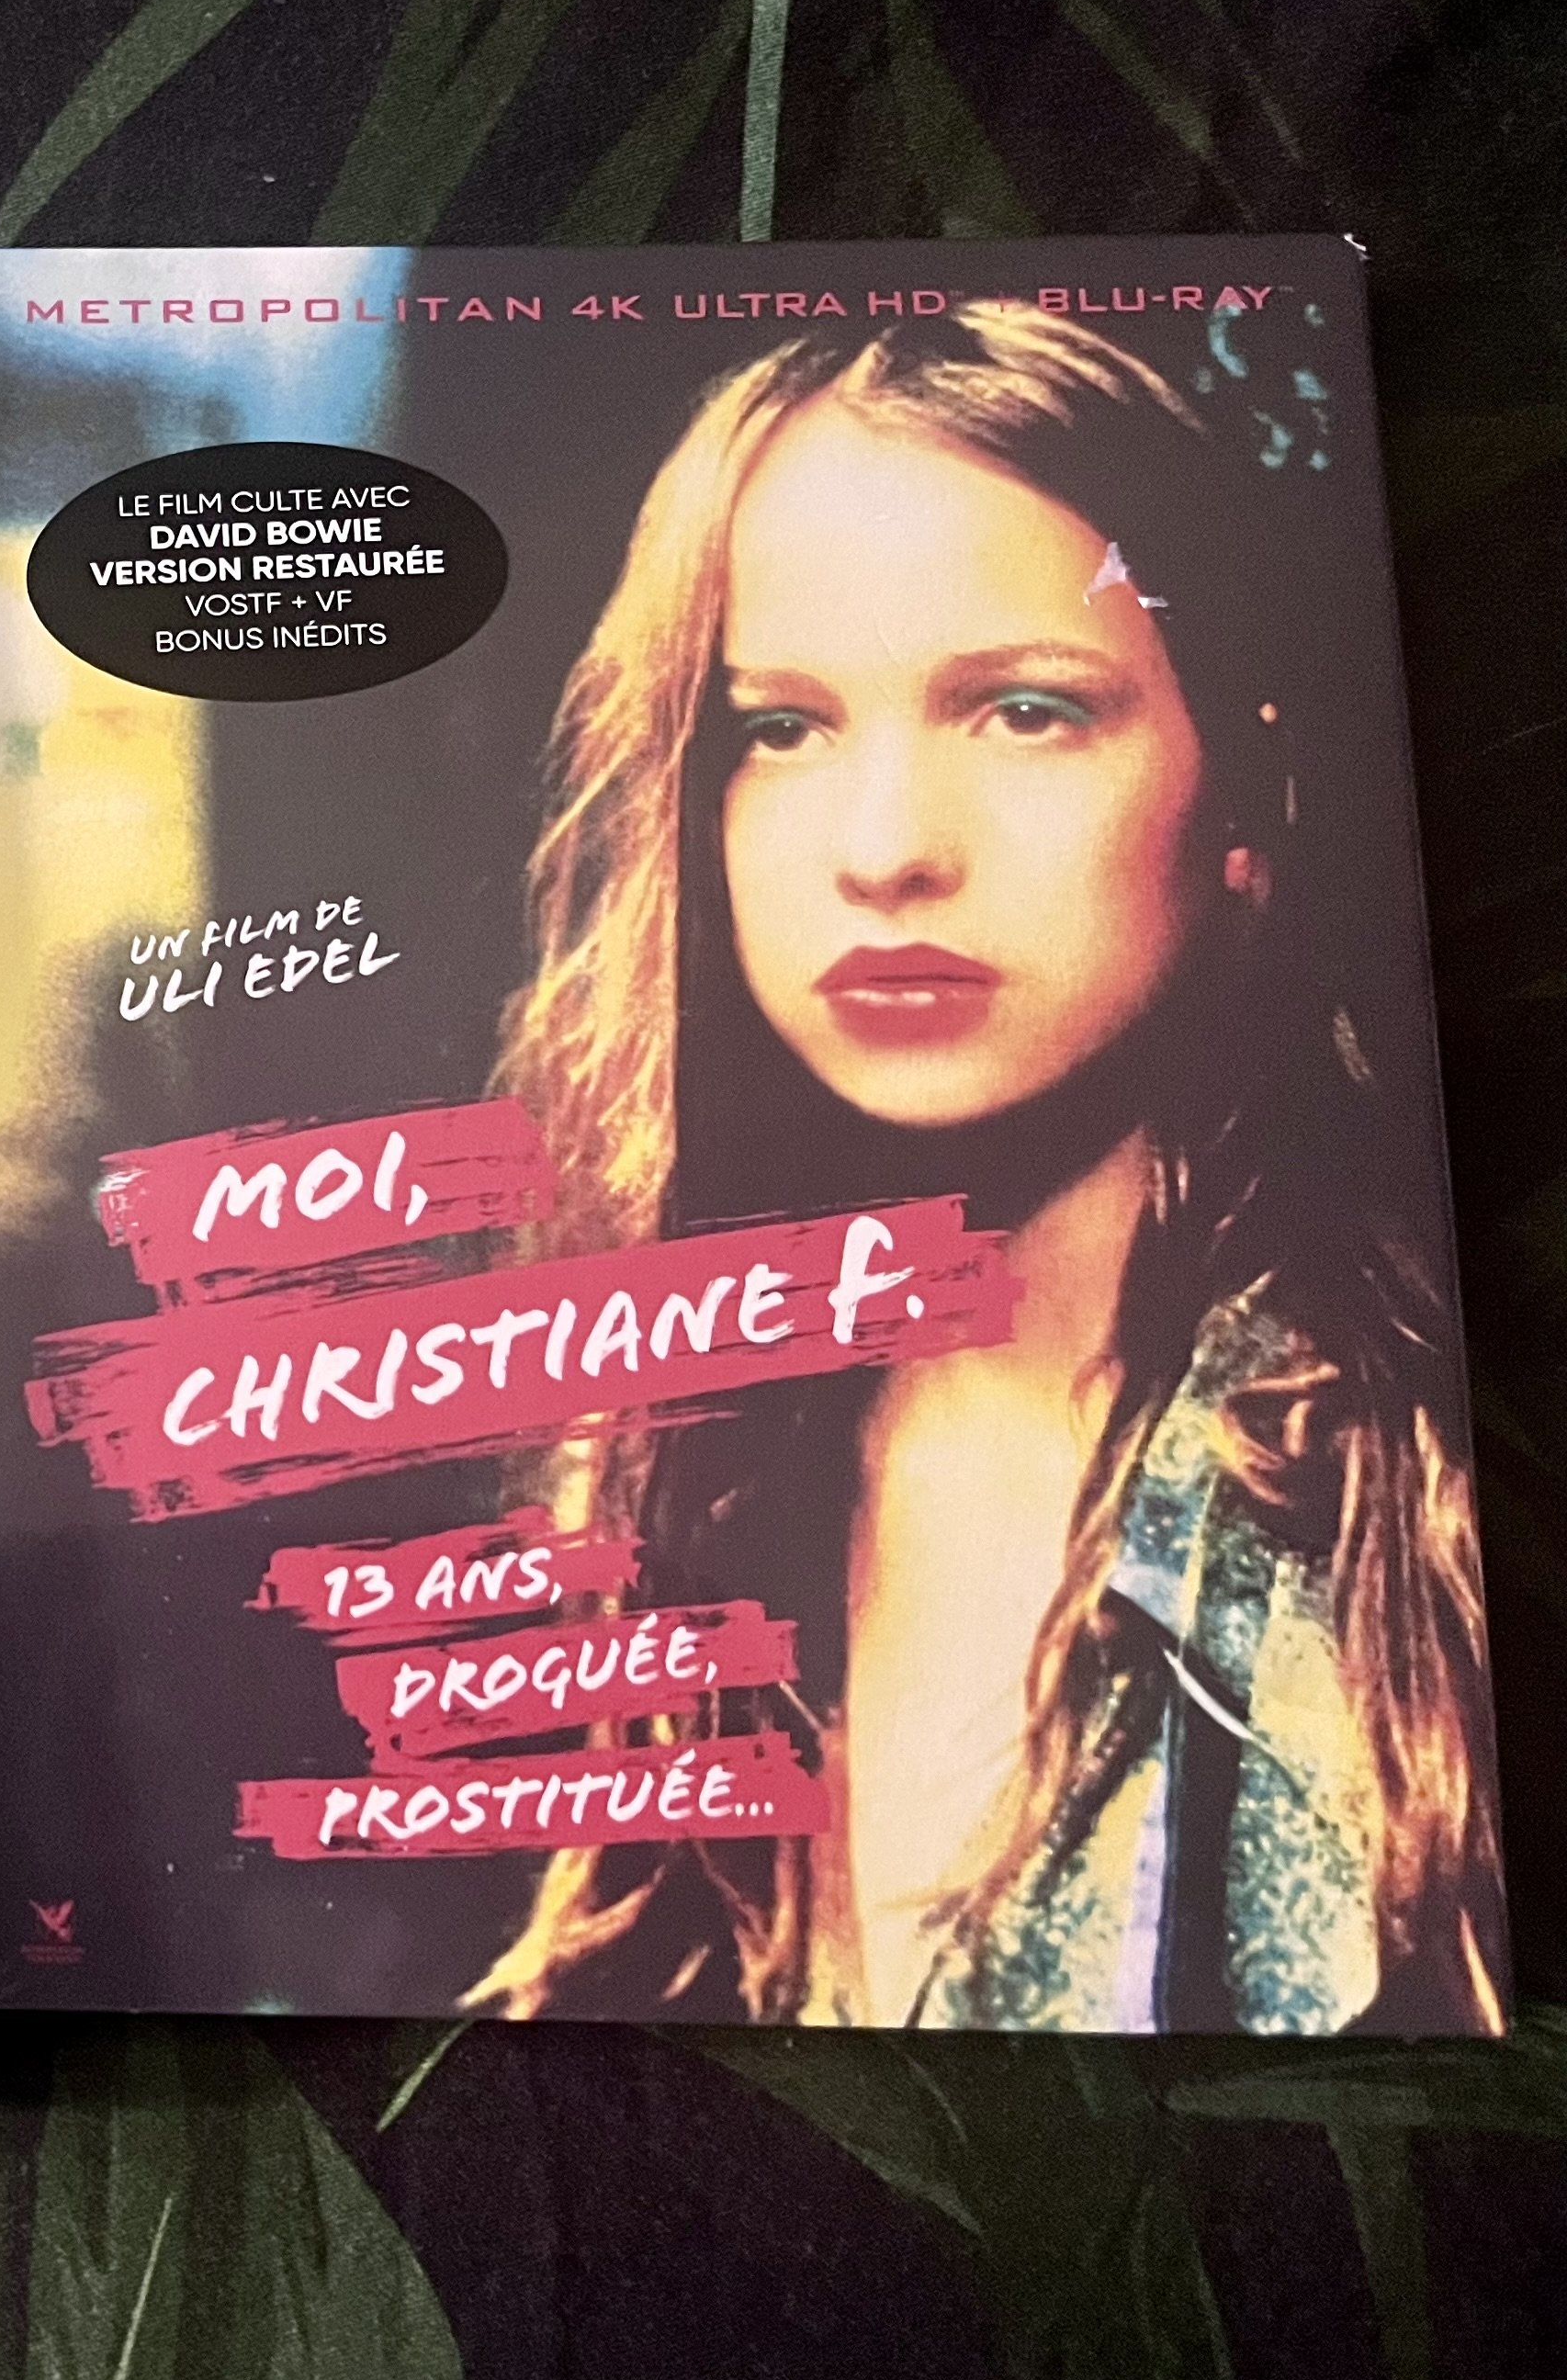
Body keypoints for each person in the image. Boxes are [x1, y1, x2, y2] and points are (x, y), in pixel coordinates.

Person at [468, 300, 1504, 2032]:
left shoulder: (1405, 1499)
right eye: (777, 730)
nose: (883, 850)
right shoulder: (675, 1464)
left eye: (1027, 710)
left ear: (1250, 792)